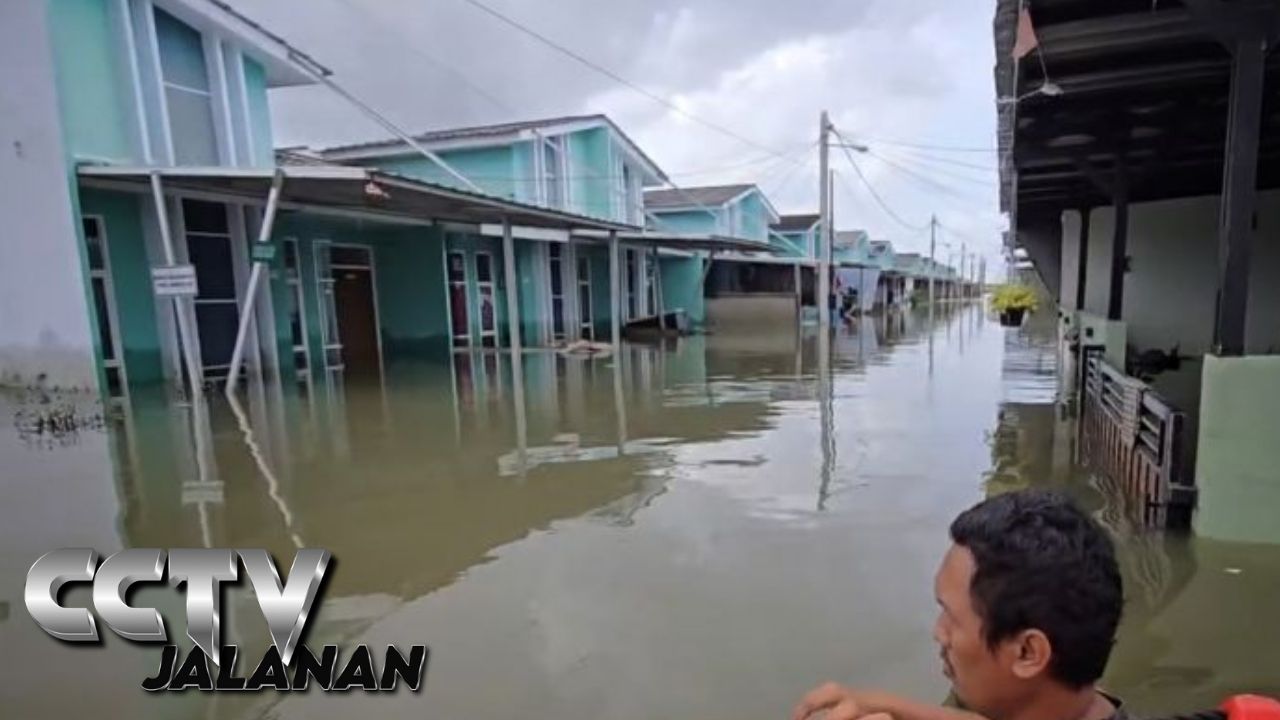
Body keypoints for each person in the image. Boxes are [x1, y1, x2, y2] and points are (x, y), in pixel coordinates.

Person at [793, 490, 1126, 720]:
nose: (939, 633)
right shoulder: (1077, 701)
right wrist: (880, 703)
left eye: (951, 616)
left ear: (1028, 653)